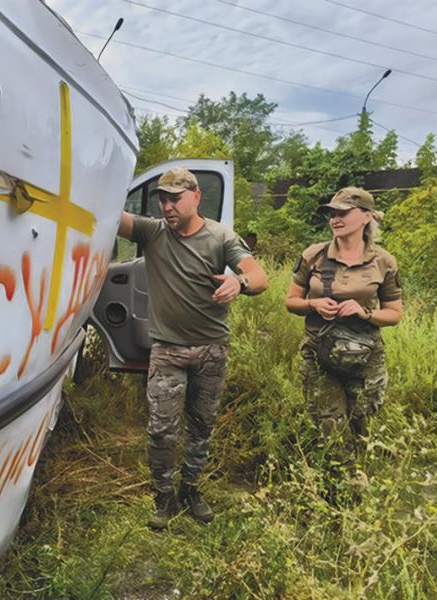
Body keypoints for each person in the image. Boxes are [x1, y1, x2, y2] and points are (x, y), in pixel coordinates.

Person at [117, 167, 268, 529]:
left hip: (211, 350)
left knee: (201, 426)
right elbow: (107, 215)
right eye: (162, 199)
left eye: (175, 198)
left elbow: (259, 276)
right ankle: (164, 495)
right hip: (167, 351)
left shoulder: (219, 236)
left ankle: (191, 488)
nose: (167, 206)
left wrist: (239, 283)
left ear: (196, 196)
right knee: (161, 429)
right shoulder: (152, 232)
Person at [284, 187, 403, 479]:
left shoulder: (384, 261)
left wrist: (364, 313)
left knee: (361, 425)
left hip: (365, 358)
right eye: (332, 213)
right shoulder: (314, 255)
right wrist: (313, 304)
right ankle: (345, 494)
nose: (335, 219)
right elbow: (291, 301)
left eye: (343, 213)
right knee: (332, 430)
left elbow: (394, 314)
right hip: (319, 354)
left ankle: (354, 489)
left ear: (365, 217)